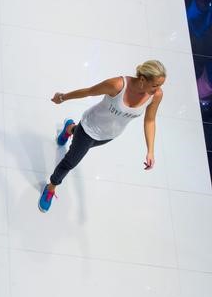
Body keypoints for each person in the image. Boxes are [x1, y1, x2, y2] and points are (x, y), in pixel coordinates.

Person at [39, 60, 166, 213]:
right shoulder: (117, 85)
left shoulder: (156, 95)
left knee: (80, 145)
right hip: (89, 127)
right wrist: (62, 97)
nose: (158, 89)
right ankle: (51, 187)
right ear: (142, 79)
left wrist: (150, 150)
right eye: (155, 85)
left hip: (109, 135)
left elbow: (150, 120)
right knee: (70, 161)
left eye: (160, 85)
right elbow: (88, 91)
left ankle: (70, 129)